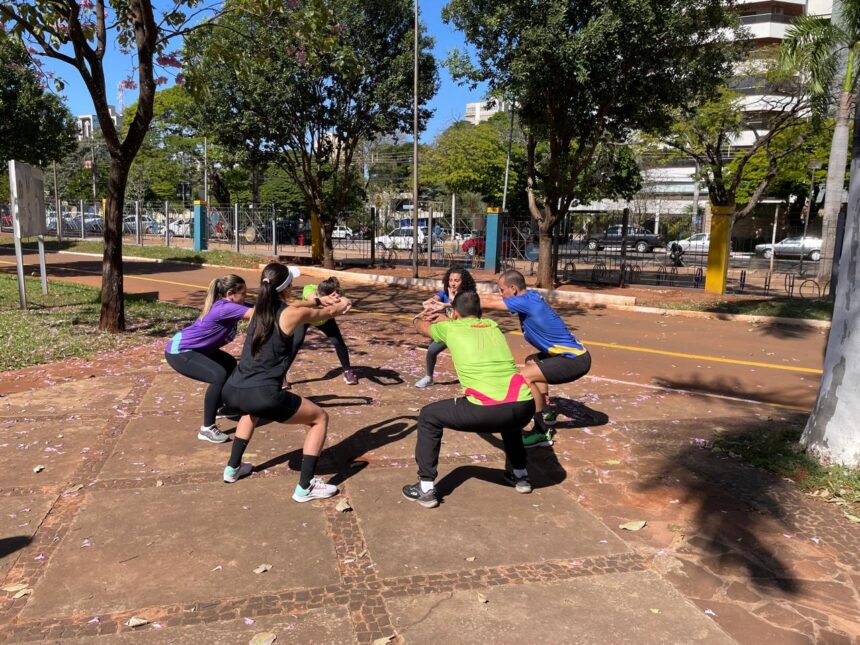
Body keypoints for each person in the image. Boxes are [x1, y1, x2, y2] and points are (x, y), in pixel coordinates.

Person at [220, 263, 352, 502]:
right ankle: (305, 487)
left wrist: (316, 300)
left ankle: (232, 469)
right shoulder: (291, 313)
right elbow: (325, 315)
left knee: (250, 412)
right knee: (320, 418)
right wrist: (341, 303)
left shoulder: (258, 309)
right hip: (263, 394)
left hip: (233, 389)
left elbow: (300, 306)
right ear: (287, 287)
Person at [402, 291, 536, 509]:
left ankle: (425, 488)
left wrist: (418, 317)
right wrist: (448, 315)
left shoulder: (450, 328)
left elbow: (423, 328)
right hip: (523, 406)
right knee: (507, 416)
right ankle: (520, 475)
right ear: (480, 312)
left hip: (485, 409)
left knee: (428, 416)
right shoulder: (492, 325)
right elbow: (467, 324)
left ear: (455, 312)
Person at [480, 269, 591, 448]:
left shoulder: (525, 302)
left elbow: (488, 303)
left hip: (574, 360)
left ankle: (540, 431)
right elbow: (491, 299)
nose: (499, 294)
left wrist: (454, 302)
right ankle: (547, 411)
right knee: (532, 361)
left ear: (513, 289)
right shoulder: (530, 296)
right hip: (571, 355)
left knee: (524, 377)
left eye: (501, 290)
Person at [164, 274, 254, 443]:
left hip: (198, 349)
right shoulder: (226, 308)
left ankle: (221, 407)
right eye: (244, 293)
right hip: (180, 350)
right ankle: (207, 428)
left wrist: (308, 305)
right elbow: (258, 313)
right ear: (230, 294)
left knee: (229, 363)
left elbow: (265, 308)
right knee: (218, 375)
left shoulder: (232, 304)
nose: (246, 297)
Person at [283, 277, 357, 387]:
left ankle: (347, 372)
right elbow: (313, 298)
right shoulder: (309, 289)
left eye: (336, 294)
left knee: (338, 342)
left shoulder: (336, 296)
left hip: (324, 320)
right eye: (333, 295)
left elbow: (345, 301)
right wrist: (327, 302)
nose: (336, 297)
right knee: (296, 342)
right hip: (306, 318)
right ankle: (281, 375)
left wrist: (346, 302)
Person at [415, 267, 477, 388]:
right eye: (450, 280)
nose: (453, 283)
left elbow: (461, 307)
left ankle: (474, 380)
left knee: (466, 357)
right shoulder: (445, 292)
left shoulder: (468, 296)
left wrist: (448, 303)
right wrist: (429, 304)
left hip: (465, 332)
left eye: (457, 280)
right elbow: (435, 300)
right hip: (449, 330)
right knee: (432, 351)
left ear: (463, 282)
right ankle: (429, 377)